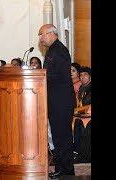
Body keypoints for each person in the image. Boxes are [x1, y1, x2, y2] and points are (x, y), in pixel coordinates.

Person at [39, 24, 75, 177]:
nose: (40, 38)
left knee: (62, 136)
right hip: (56, 100)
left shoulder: (58, 50)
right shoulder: (53, 50)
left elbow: (57, 75)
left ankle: (65, 170)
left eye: (42, 34)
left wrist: (40, 76)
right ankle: (62, 167)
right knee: (58, 135)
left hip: (61, 100)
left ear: (51, 33)